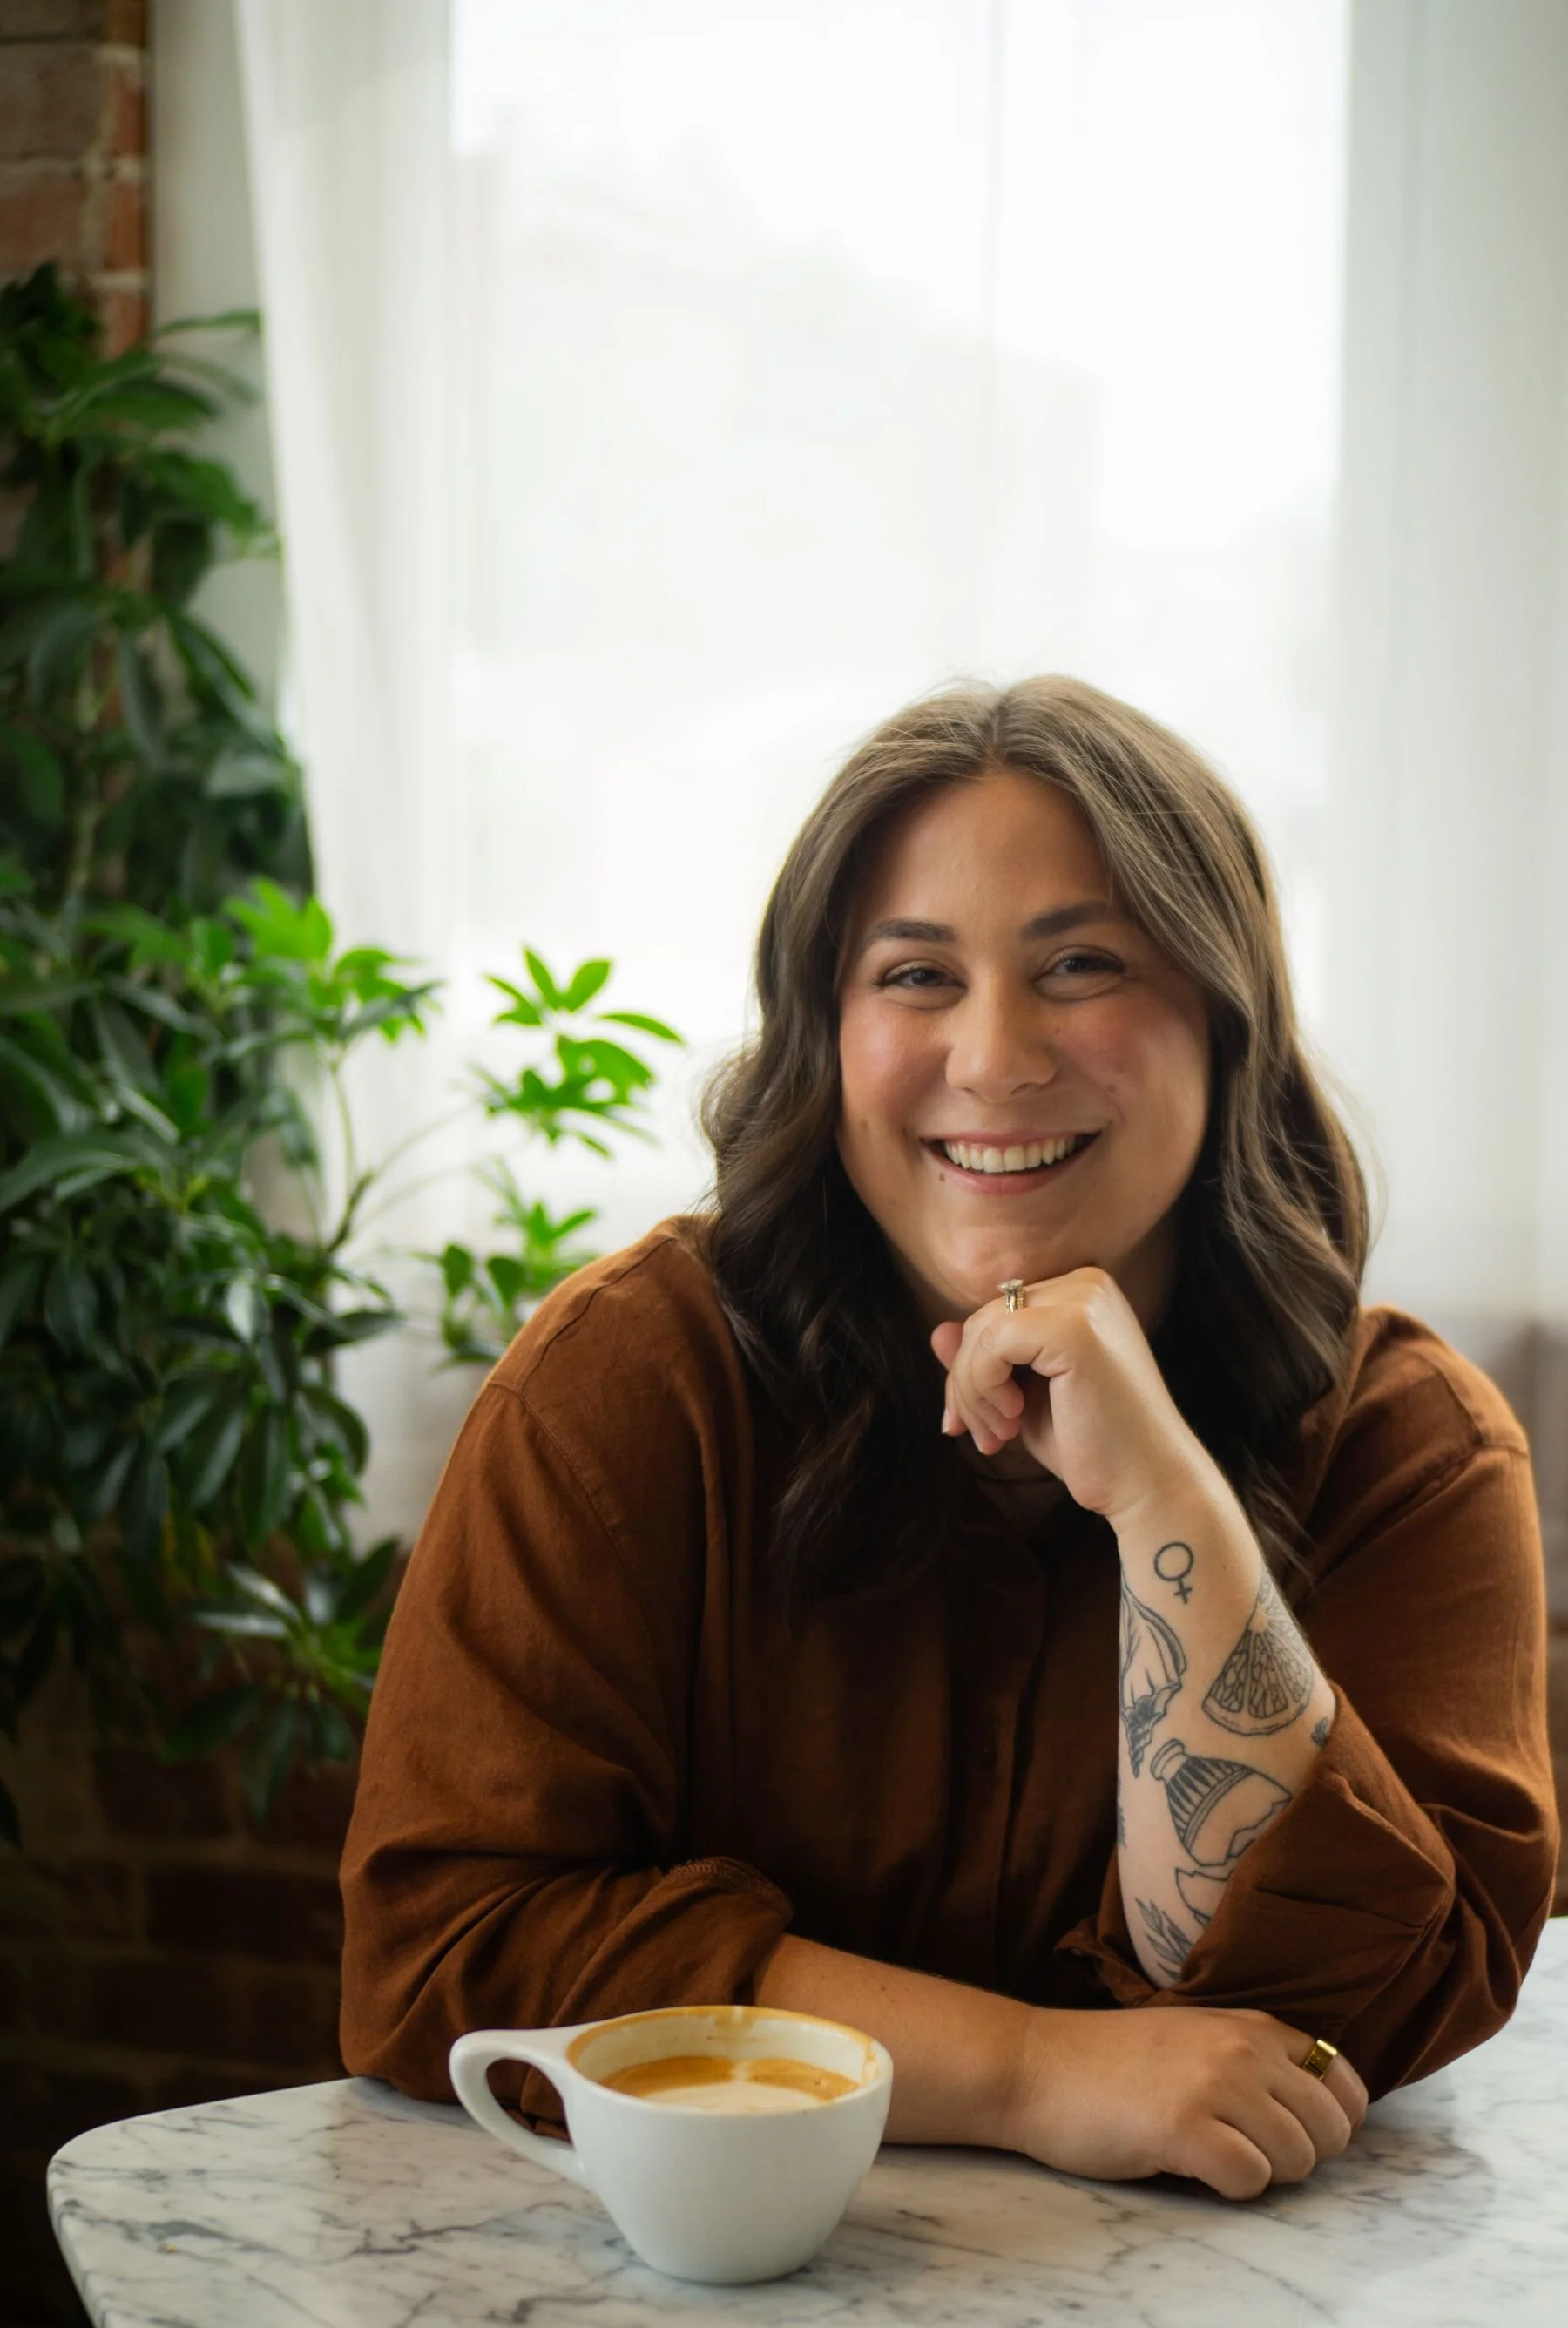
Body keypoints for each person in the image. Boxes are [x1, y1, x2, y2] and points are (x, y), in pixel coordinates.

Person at [339, 677, 1558, 2202]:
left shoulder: (1412, 1450)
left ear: (1223, 1018)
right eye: (916, 976)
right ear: (825, 1032)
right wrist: (1028, 2073)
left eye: (1082, 963)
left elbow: (1348, 2026)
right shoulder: (630, 1382)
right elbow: (448, 1951)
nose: (995, 1056)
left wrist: (1167, 1503)